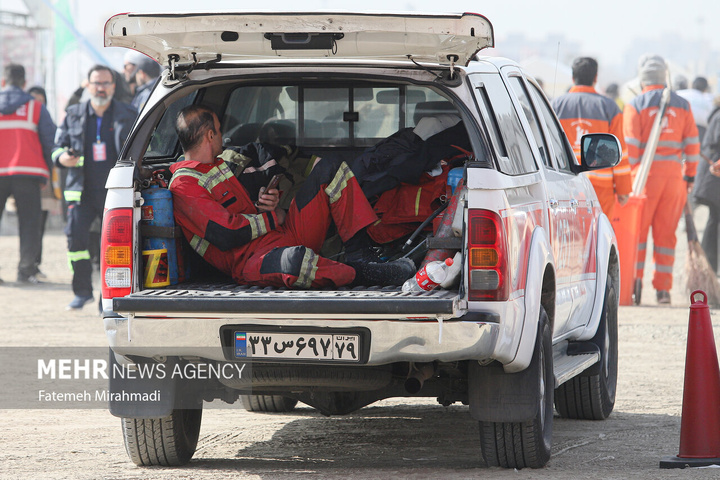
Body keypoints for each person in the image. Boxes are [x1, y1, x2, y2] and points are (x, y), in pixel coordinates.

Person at [168, 105, 415, 289]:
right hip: (251, 261)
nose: (223, 137)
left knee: (331, 168)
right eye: (220, 132)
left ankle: (360, 254)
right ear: (210, 136)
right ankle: (360, 273)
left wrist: (262, 204)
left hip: (281, 234)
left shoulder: (216, 165)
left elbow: (237, 212)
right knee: (296, 261)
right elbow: (226, 233)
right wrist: (275, 217)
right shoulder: (184, 185)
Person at [53, 65, 136, 310]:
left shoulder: (128, 113)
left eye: (106, 83)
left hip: (116, 192)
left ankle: (107, 299)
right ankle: (82, 292)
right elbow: (57, 147)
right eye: (96, 83)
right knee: (75, 242)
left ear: (113, 86)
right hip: (81, 191)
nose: (101, 88)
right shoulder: (73, 114)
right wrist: (62, 158)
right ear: (87, 85)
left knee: (113, 249)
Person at [624, 54, 701, 305]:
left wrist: (631, 180)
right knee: (666, 237)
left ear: (643, 79)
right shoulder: (683, 104)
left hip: (644, 178)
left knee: (638, 234)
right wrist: (689, 177)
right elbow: (692, 146)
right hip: (674, 179)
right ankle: (663, 291)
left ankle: (635, 286)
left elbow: (631, 149)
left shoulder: (635, 105)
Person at [552, 57, 631, 220]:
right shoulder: (610, 107)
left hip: (565, 184)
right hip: (601, 186)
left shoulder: (555, 106)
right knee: (600, 236)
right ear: (595, 78)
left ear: (573, 78)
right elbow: (619, 151)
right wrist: (623, 189)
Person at [0, 64, 56, 284]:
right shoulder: (35, 107)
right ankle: (26, 270)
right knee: (30, 224)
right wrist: (47, 173)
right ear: (24, 84)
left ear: (3, 82)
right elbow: (50, 142)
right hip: (28, 172)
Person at [27, 86, 59, 279]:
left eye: (41, 100)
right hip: (29, 178)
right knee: (30, 224)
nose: (37, 103)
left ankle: (35, 264)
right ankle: (29, 265)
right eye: (34, 99)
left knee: (39, 224)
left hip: (44, 180)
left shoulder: (47, 123)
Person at [693, 98, 720, 272]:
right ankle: (709, 265)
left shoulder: (715, 114)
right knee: (715, 219)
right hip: (713, 174)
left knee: (714, 219)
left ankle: (709, 265)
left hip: (711, 173)